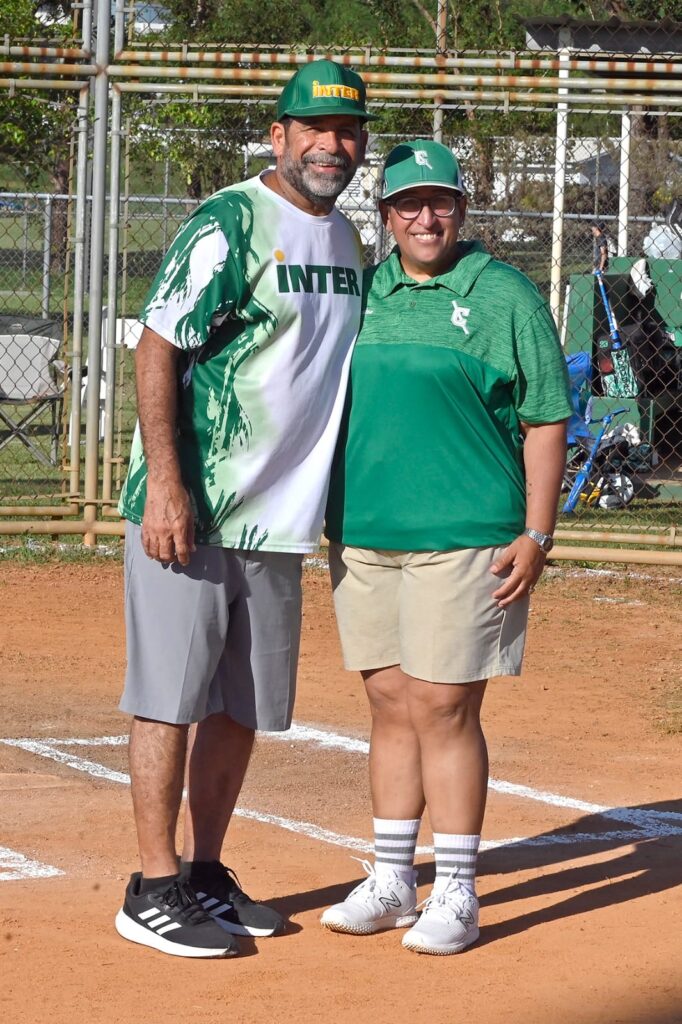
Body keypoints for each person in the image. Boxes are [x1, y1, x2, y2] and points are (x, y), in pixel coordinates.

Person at [114, 58, 373, 959]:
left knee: (240, 707)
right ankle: (151, 883)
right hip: (193, 513)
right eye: (313, 129)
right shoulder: (231, 222)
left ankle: (206, 875)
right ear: (279, 135)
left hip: (278, 525)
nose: (329, 146)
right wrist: (168, 484)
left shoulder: (348, 241)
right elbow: (157, 345)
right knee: (169, 699)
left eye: (345, 131)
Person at [320, 140, 572, 955]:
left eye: (441, 203)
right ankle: (394, 879)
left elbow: (545, 418)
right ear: (385, 216)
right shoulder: (364, 292)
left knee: (444, 706)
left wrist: (537, 533)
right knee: (390, 704)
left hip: (467, 536)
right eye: (407, 205)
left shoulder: (502, 295)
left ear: (463, 209)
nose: (426, 218)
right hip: (366, 535)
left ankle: (457, 891)